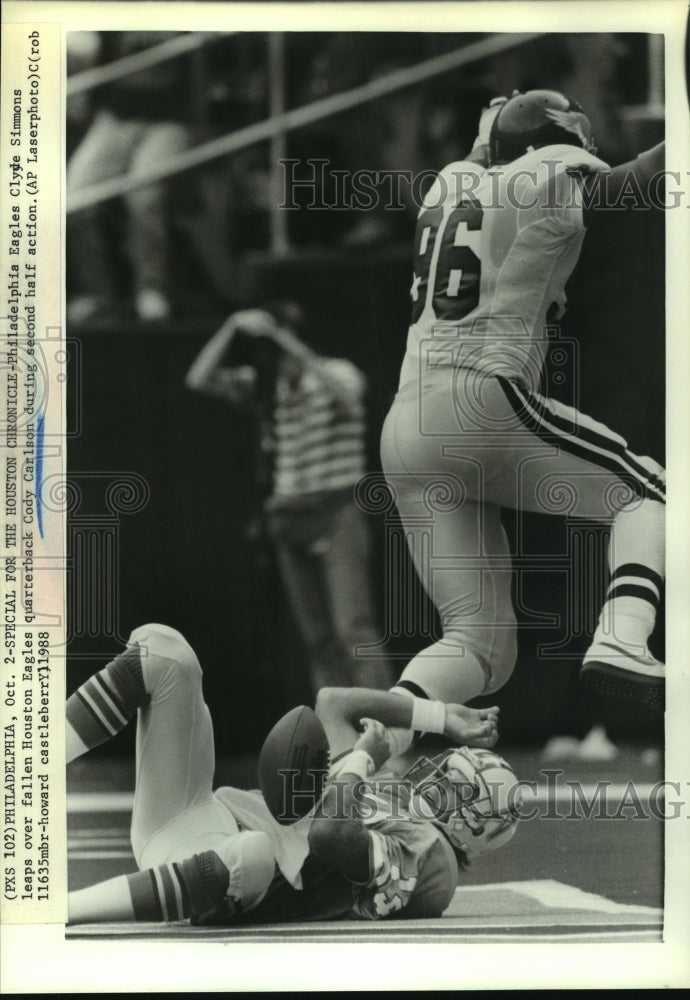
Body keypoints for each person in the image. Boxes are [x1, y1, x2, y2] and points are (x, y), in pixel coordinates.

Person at [380, 90, 666, 714]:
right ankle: (623, 634)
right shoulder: (545, 177)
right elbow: (639, 180)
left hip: (405, 423)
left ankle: (365, 757)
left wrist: (497, 126)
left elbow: (492, 152)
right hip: (478, 399)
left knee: (480, 647)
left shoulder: (449, 185)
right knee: (652, 494)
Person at [66, 623, 513, 925]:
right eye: (446, 768)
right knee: (165, 652)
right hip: (190, 817)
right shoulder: (383, 792)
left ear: (475, 827)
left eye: (457, 788)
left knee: (254, 852)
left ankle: (55, 909)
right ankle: (27, 762)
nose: (435, 779)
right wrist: (439, 717)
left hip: (224, 873)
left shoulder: (435, 861)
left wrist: (358, 762)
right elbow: (334, 702)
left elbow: (331, 836)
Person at [186, 303, 395, 694]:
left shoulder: (335, 371)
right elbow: (198, 379)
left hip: (337, 509)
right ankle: (341, 737)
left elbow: (350, 396)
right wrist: (231, 326)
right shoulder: (265, 385)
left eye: (280, 351)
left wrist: (281, 336)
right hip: (289, 515)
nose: (278, 361)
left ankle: (392, 730)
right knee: (318, 639)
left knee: (354, 627)